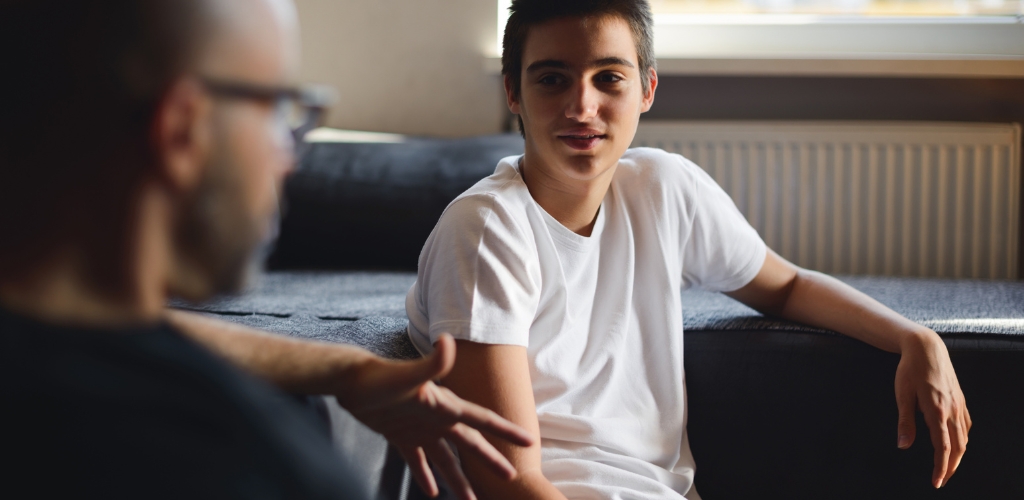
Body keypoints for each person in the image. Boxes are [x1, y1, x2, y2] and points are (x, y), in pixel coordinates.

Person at [404, 1, 972, 498]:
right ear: (513, 92)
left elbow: (786, 285)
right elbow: (504, 477)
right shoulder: (485, 230)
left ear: (648, 89)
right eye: (552, 79)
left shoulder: (664, 188)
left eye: (609, 78)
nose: (582, 106)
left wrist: (914, 337)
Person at [0, 0, 531, 498]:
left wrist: (344, 369)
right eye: (281, 110)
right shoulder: (235, 461)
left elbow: (106, 322)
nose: (290, 158)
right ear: (183, 129)